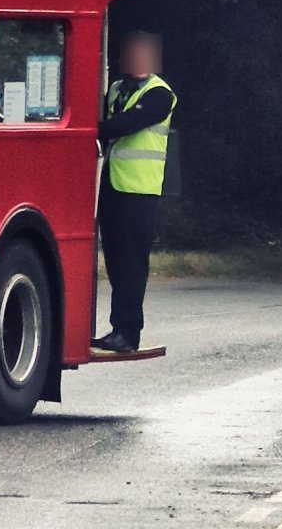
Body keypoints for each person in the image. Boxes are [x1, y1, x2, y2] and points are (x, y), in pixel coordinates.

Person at [93, 31, 177, 354]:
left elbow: (127, 123)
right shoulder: (115, 89)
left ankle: (129, 333)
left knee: (132, 263)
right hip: (113, 184)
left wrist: (93, 129)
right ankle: (118, 328)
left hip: (141, 191)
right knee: (114, 261)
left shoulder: (160, 95)